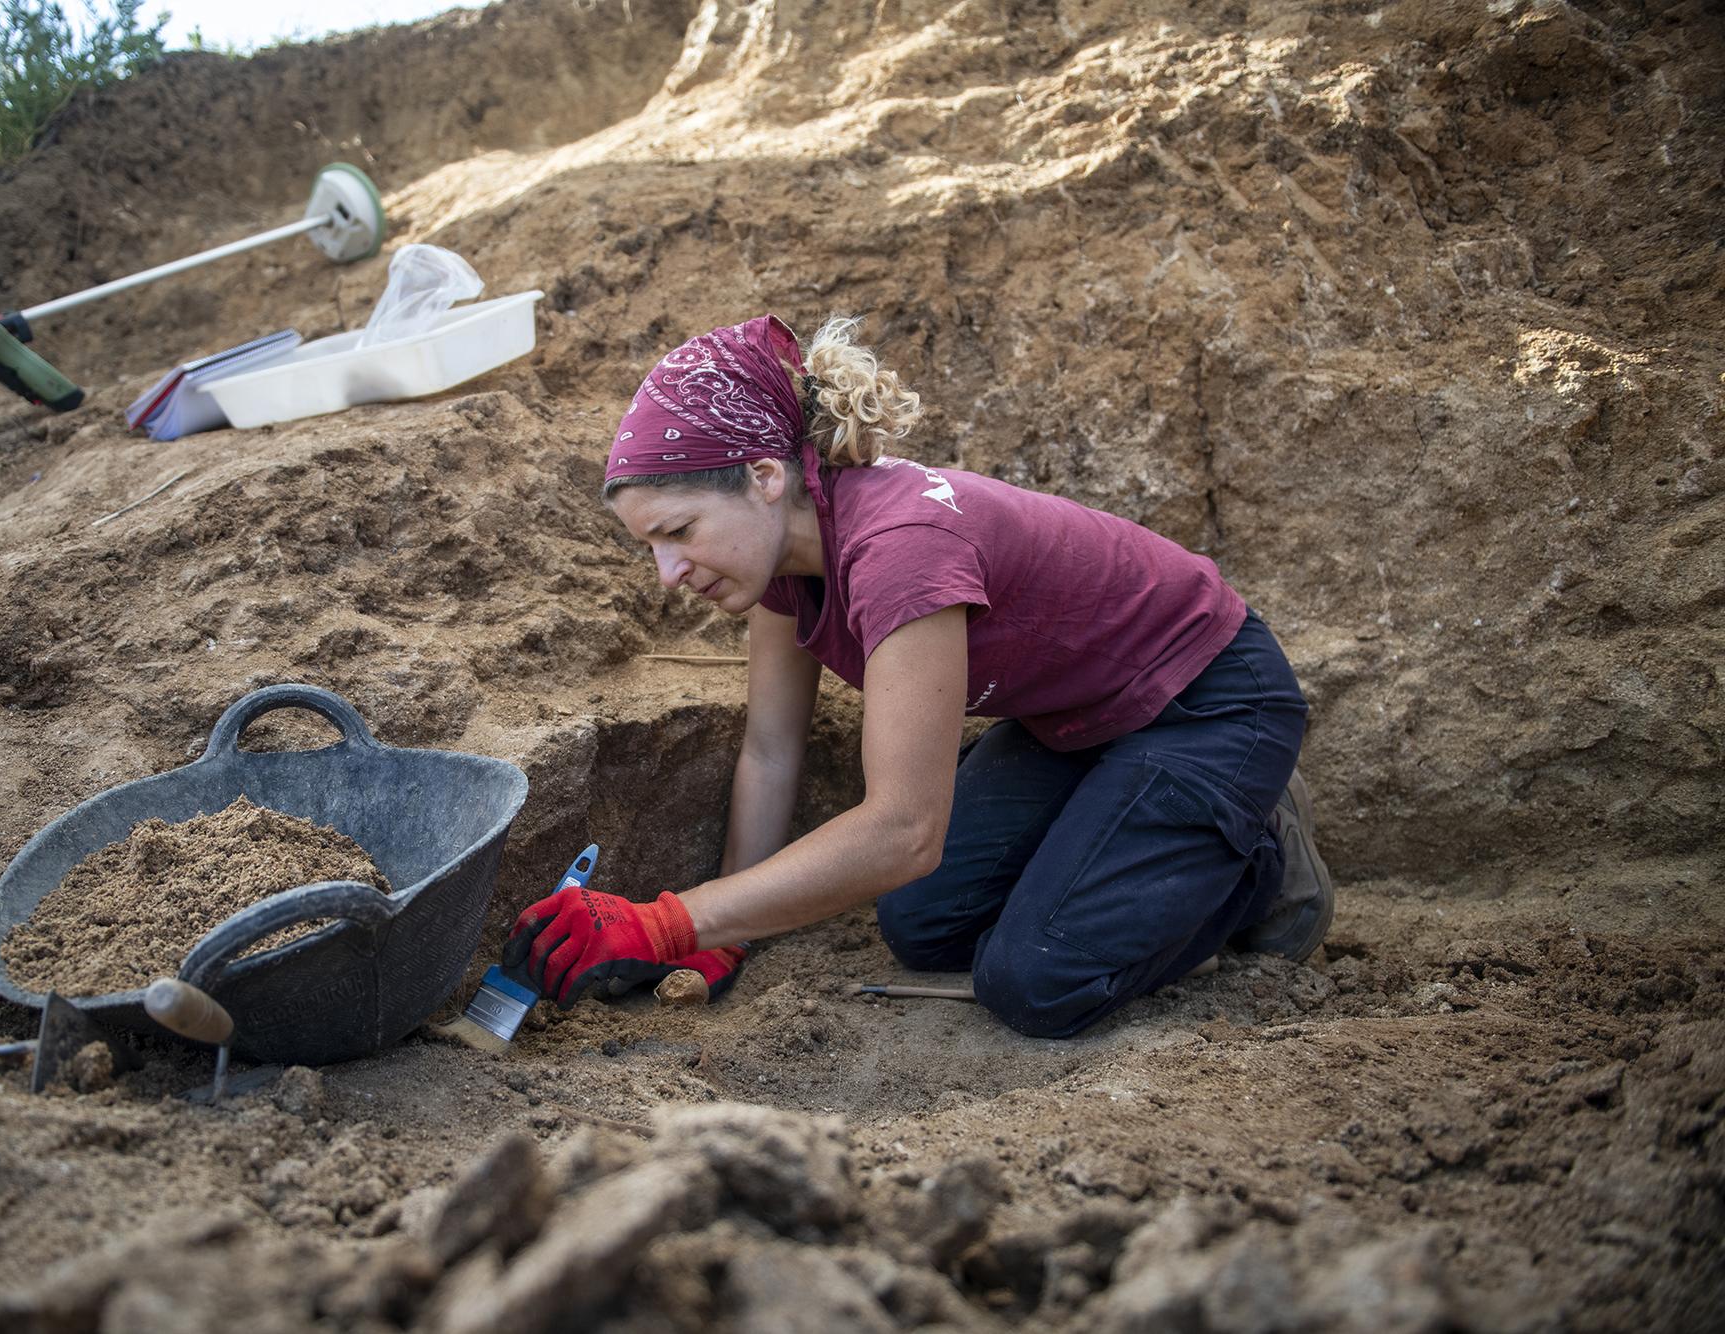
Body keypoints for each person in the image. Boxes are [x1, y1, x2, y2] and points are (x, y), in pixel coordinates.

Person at [502, 315, 1334, 1038]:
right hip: (1081, 721)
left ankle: (1256, 854)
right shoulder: (781, 565)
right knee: (923, 922)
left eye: (679, 530)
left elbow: (904, 830)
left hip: (1209, 702)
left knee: (1040, 981)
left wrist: (669, 923)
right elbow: (769, 750)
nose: (667, 572)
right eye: (650, 544)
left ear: (764, 477)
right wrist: (721, 930)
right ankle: (1136, 827)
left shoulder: (900, 553)